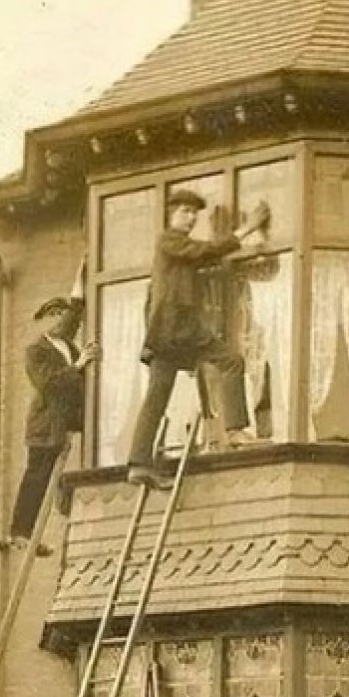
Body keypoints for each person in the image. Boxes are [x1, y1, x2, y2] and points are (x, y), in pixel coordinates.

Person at [125, 188, 270, 485]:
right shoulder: (168, 240)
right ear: (170, 215)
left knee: (158, 396)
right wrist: (247, 229)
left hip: (173, 331)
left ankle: (139, 464)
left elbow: (204, 261)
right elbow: (205, 251)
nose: (190, 218)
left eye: (194, 214)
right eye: (184, 212)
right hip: (176, 329)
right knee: (229, 361)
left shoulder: (178, 251)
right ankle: (234, 432)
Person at [4, 296, 98, 547]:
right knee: (37, 477)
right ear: (44, 320)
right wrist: (78, 365)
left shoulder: (68, 345)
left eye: (62, 315)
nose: (60, 319)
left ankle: (27, 533)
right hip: (45, 424)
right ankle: (21, 532)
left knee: (46, 477)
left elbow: (77, 312)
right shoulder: (36, 350)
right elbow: (47, 383)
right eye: (54, 315)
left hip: (65, 421)